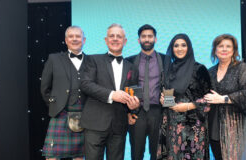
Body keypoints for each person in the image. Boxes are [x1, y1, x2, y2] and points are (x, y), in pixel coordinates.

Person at [80, 23, 140, 160]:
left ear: (124, 41)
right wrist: (112, 95)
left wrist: (134, 108)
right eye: (111, 36)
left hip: (119, 126)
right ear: (106, 40)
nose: (115, 39)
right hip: (95, 123)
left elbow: (134, 95)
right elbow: (85, 84)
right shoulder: (92, 59)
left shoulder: (132, 67)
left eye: (119, 36)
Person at [157, 33, 212, 160]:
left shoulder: (199, 69)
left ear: (189, 48)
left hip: (193, 125)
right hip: (172, 125)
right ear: (172, 49)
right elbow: (167, 94)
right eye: (176, 45)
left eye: (183, 45)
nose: (179, 48)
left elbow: (209, 99)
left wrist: (188, 106)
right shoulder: (167, 70)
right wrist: (164, 100)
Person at [204, 34, 246, 160]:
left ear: (234, 50)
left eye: (228, 46)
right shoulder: (210, 71)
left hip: (234, 125)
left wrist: (223, 99)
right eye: (220, 46)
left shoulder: (241, 68)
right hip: (214, 124)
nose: (224, 49)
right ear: (215, 50)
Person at [40, 26, 87, 160]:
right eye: (71, 36)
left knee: (79, 155)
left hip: (84, 115)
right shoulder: (54, 59)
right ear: (66, 40)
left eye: (78, 36)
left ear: (84, 40)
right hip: (61, 113)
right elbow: (45, 87)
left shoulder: (91, 61)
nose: (74, 39)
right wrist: (55, 105)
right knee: (52, 155)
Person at [126, 24, 166, 160]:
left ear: (155, 39)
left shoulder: (166, 60)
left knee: (158, 153)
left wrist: (168, 107)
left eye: (150, 36)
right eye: (144, 36)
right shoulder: (129, 61)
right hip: (137, 113)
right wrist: (128, 112)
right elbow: (124, 87)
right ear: (139, 40)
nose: (147, 39)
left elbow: (170, 84)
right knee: (136, 153)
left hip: (158, 112)